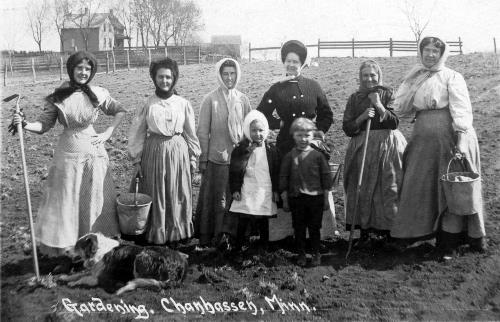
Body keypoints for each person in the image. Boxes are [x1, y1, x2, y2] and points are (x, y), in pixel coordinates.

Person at [9, 51, 126, 257]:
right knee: (67, 200)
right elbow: (44, 124)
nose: (83, 72)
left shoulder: (98, 92)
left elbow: (120, 110)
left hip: (94, 156)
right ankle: (69, 248)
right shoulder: (59, 94)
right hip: (68, 156)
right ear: (71, 69)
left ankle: (94, 246)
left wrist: (108, 132)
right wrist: (25, 124)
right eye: (79, 68)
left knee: (94, 199)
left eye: (87, 69)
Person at [390, 36, 486, 253]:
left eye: (435, 51)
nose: (430, 54)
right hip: (423, 139)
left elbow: (461, 110)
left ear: (442, 54)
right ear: (420, 51)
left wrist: (460, 140)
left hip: (449, 137)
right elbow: (401, 109)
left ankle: (451, 241)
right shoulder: (415, 76)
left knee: (452, 187)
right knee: (419, 184)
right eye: (426, 50)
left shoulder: (452, 77)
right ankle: (414, 232)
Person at [256, 40, 337, 242]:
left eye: (296, 61)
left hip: (310, 147)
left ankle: (319, 232)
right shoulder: (276, 89)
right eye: (288, 61)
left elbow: (327, 114)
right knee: (286, 187)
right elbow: (261, 113)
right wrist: (279, 122)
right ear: (284, 63)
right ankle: (284, 233)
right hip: (286, 146)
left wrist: (317, 134)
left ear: (302, 63)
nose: (291, 65)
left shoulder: (313, 86)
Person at [128, 58, 200, 245]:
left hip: (178, 152)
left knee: (177, 192)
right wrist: (137, 160)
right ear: (154, 78)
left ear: (174, 78)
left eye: (168, 77)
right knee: (156, 190)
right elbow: (137, 133)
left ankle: (176, 234)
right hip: (154, 152)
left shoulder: (183, 103)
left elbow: (190, 132)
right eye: (160, 77)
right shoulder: (148, 104)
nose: (165, 81)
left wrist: (193, 157)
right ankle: (156, 233)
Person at [342, 60, 407, 246]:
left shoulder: (388, 93)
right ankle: (364, 231)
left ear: (379, 75)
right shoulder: (355, 98)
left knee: (388, 186)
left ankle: (390, 232)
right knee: (361, 188)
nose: (369, 78)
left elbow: (394, 122)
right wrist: (362, 117)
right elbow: (347, 127)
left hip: (388, 146)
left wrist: (379, 105)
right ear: (360, 77)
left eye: (373, 75)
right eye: (365, 75)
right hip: (362, 146)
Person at [195, 58, 253, 247]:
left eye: (232, 73)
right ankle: (214, 237)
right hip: (217, 159)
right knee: (218, 200)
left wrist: (249, 154)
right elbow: (202, 132)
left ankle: (235, 237)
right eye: (225, 74)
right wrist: (202, 159)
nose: (229, 77)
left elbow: (249, 129)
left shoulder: (243, 99)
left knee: (236, 198)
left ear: (237, 75)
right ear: (219, 76)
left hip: (238, 160)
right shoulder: (210, 100)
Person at [280, 118, 333, 267]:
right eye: (299, 135)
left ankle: (316, 253)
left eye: (307, 135)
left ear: (313, 135)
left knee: (315, 227)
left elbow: (326, 177)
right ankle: (301, 253)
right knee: (299, 227)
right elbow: (283, 177)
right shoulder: (290, 156)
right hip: (297, 198)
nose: (303, 139)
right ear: (293, 136)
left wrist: (326, 198)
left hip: (315, 198)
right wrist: (285, 199)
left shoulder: (318, 156)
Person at [228, 110, 280, 252]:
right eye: (254, 130)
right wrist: (235, 189)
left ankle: (264, 247)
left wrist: (276, 190)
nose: (258, 134)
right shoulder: (241, 149)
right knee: (244, 218)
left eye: (261, 130)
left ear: (266, 130)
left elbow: (276, 172)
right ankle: (238, 247)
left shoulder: (271, 149)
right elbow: (234, 171)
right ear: (247, 131)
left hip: (264, 188)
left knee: (264, 218)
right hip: (247, 188)